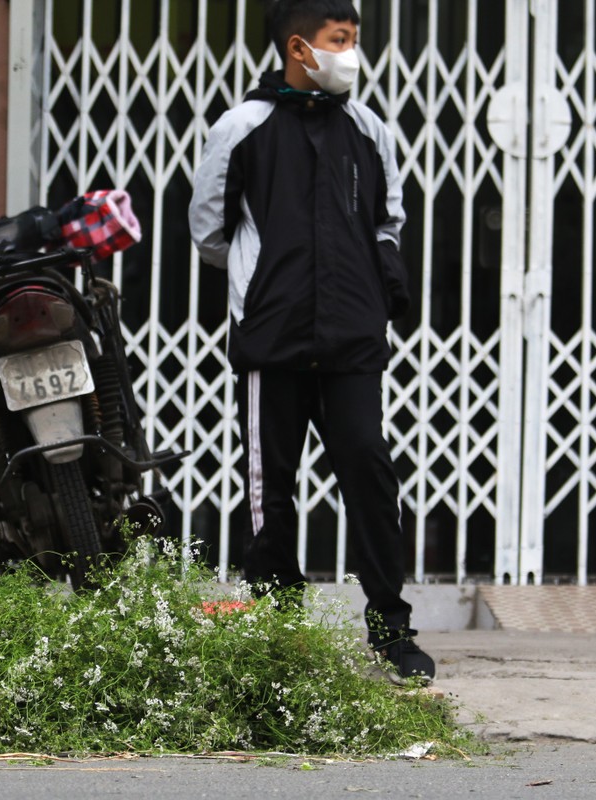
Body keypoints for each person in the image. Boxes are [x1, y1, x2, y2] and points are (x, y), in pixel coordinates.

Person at [187, 0, 435, 683]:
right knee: (271, 487)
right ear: (299, 48)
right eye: (340, 40)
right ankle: (276, 625)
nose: (350, 53)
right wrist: (267, 281)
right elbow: (208, 229)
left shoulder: (368, 130)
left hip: (352, 336)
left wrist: (368, 291)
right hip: (274, 335)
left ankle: (391, 629)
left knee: (368, 470)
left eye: (353, 40)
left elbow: (389, 219)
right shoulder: (242, 127)